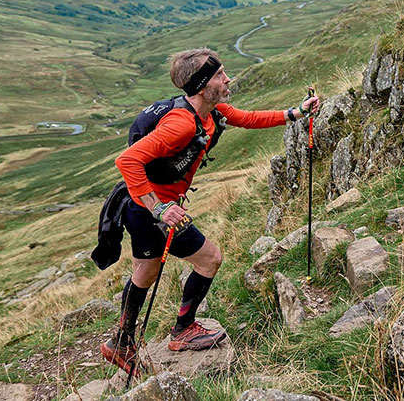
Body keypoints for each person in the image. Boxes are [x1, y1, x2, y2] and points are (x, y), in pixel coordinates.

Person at [100, 47, 320, 375]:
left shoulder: (208, 111)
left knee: (145, 272)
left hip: (142, 206)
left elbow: (248, 118)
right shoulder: (181, 125)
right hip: (150, 210)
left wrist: (295, 113)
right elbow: (127, 160)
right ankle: (183, 330)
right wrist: (160, 208)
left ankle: (121, 342)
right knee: (210, 259)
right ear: (203, 85)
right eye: (219, 75)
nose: (227, 79)